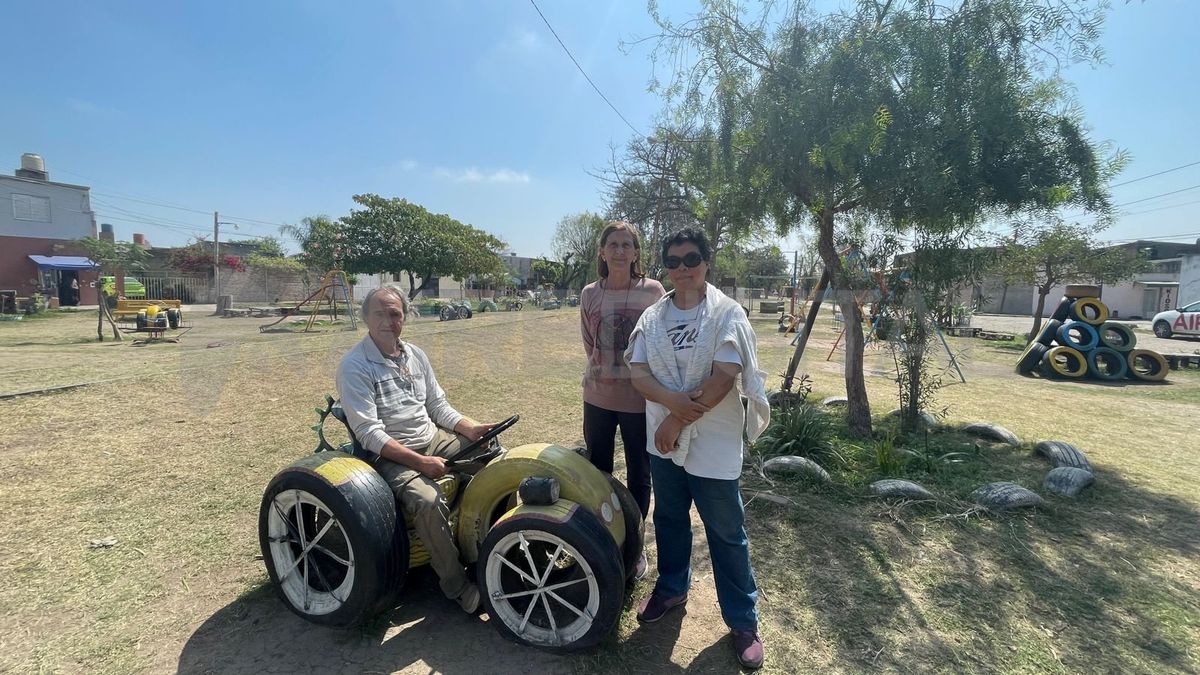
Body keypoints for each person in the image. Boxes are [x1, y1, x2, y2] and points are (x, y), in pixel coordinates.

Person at [626, 228, 771, 670]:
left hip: (713, 444)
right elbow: (639, 373)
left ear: (707, 262)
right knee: (669, 519)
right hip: (665, 444)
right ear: (665, 267)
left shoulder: (727, 314)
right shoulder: (653, 318)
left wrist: (674, 418)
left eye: (691, 258)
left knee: (726, 532)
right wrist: (670, 405)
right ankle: (671, 588)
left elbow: (725, 375)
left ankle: (743, 621)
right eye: (673, 261)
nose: (682, 268)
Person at [337, 285, 498, 614]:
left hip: (430, 438)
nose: (388, 320)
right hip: (388, 456)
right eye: (379, 313)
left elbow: (438, 407)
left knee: (492, 452)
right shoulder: (354, 366)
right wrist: (420, 462)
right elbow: (368, 434)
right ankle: (457, 585)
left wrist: (472, 430)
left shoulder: (415, 355)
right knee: (427, 500)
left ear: (404, 318)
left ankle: (488, 544)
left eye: (395, 313)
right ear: (365, 317)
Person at [579, 221, 665, 580]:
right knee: (598, 471)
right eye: (612, 244)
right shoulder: (589, 294)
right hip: (598, 396)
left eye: (626, 244)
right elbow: (589, 341)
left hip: (639, 399)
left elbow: (660, 341)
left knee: (639, 474)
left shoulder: (653, 291)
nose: (619, 250)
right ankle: (605, 536)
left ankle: (634, 543)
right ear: (602, 252)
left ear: (635, 253)